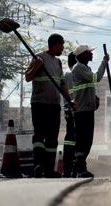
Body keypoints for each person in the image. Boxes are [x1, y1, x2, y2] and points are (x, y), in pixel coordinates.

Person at [25, 33, 75, 178]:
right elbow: (28, 77)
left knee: (52, 138)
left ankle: (48, 170)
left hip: (54, 105)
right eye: (62, 45)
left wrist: (70, 100)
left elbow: (62, 84)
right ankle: (38, 165)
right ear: (55, 44)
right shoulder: (38, 58)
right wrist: (36, 67)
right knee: (39, 136)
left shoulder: (58, 62)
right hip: (39, 104)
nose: (63, 48)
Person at [71, 45, 109, 178]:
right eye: (89, 52)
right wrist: (104, 63)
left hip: (87, 109)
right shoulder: (79, 68)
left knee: (87, 140)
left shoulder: (85, 68)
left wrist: (94, 98)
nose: (92, 54)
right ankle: (80, 168)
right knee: (83, 140)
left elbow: (88, 86)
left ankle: (78, 167)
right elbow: (96, 78)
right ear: (82, 55)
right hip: (82, 111)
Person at [62, 52, 77, 177]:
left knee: (71, 137)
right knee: (73, 138)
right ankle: (71, 168)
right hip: (74, 109)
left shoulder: (67, 73)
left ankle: (69, 168)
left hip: (69, 109)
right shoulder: (73, 73)